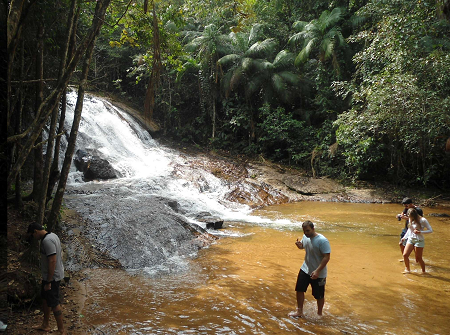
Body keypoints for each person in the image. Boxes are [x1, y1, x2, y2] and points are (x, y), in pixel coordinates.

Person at [26, 223, 66, 334]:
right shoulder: (52, 235)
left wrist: (48, 281)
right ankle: (45, 324)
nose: (33, 238)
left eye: (32, 235)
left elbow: (52, 261)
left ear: (35, 231)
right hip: (49, 275)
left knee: (54, 303)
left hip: (52, 277)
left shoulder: (47, 241)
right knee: (45, 299)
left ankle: (61, 330)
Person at [289, 220, 331, 318]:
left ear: (313, 228)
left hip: (319, 273)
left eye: (308, 231)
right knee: (299, 289)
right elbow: (304, 246)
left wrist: (317, 271)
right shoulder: (305, 237)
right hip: (305, 268)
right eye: (304, 231)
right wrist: (300, 246)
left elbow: (327, 257)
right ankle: (299, 311)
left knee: (319, 295)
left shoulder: (322, 241)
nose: (306, 233)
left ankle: (319, 314)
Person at [401, 208, 433, 274]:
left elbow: (430, 230)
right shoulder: (410, 218)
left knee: (418, 258)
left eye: (411, 217)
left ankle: (424, 272)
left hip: (419, 240)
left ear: (414, 215)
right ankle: (408, 270)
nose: (410, 218)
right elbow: (409, 230)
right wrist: (404, 237)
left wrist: (420, 232)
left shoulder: (423, 220)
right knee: (405, 255)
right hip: (411, 239)